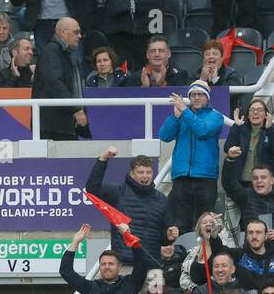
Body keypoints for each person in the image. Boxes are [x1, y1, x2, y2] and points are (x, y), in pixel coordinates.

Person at [159, 81, 224, 233]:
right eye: (193, 95)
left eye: (200, 94)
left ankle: (206, 254)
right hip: (181, 176)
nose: (196, 97)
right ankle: (184, 254)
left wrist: (184, 112)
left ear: (207, 97)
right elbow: (165, 136)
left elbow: (202, 130)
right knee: (180, 222)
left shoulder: (216, 116)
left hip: (205, 176)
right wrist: (175, 117)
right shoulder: (182, 116)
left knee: (207, 221)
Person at [85, 148, 169, 264]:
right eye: (140, 172)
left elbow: (164, 240)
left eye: (148, 172)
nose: (145, 176)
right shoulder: (119, 192)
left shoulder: (162, 200)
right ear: (132, 174)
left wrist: (170, 237)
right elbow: (92, 189)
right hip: (125, 264)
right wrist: (103, 158)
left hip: (152, 265)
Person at [32, 17, 86, 142]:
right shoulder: (52, 51)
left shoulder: (65, 54)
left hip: (62, 124)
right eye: (76, 32)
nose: (80, 36)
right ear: (62, 32)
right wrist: (76, 108)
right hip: (53, 127)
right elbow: (54, 83)